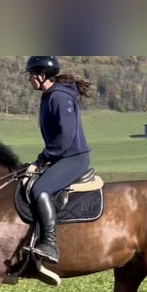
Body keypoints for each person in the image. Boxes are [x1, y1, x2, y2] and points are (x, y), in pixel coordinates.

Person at [24, 56, 93, 264]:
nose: (29, 80)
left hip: (73, 158)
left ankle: (50, 244)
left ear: (42, 75)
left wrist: (42, 159)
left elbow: (65, 137)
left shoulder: (59, 97)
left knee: (39, 190)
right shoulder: (49, 95)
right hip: (61, 156)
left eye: (31, 76)